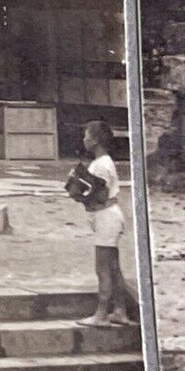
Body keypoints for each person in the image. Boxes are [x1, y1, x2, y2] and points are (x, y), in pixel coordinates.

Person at [71, 119, 134, 328]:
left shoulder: (101, 165)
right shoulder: (104, 162)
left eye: (87, 136)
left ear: (96, 140)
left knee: (103, 267)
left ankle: (101, 313)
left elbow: (99, 194)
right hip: (108, 217)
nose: (84, 139)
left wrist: (77, 187)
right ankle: (120, 310)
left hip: (106, 217)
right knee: (114, 267)